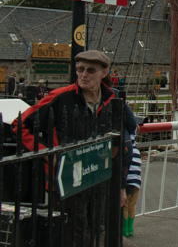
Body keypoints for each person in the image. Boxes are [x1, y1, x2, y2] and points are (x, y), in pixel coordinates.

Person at [14, 50, 128, 245]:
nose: (84, 75)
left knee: (93, 232)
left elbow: (119, 147)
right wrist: (45, 152)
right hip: (67, 181)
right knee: (72, 237)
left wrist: (122, 186)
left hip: (98, 179)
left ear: (104, 72)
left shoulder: (112, 101)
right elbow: (20, 125)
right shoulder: (61, 97)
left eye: (90, 70)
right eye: (80, 69)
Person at [123, 113, 142, 238]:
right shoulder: (135, 147)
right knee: (132, 205)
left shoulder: (126, 143)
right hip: (136, 178)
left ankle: (124, 228)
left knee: (125, 204)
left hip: (129, 177)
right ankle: (130, 228)